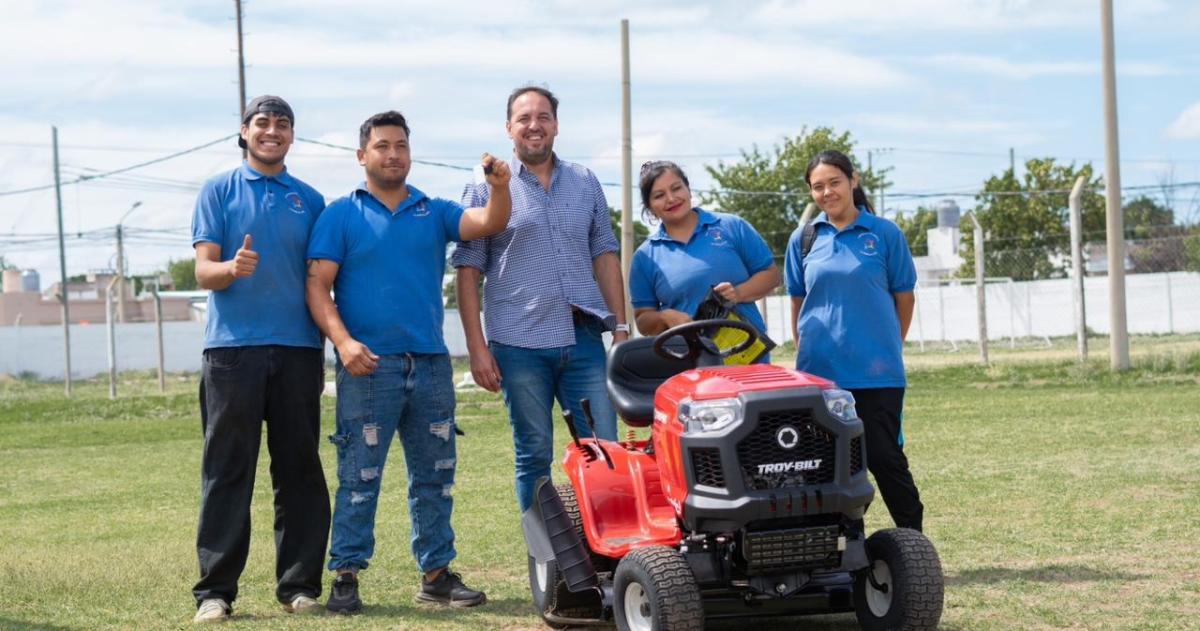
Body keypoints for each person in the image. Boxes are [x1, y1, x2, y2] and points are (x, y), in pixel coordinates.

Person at [305, 110, 511, 614]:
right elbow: (316, 286)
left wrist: (499, 187)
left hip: (431, 366)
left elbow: (490, 221)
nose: (393, 154)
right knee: (359, 475)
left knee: (435, 476)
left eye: (400, 145)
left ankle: (436, 575)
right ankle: (346, 577)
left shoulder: (433, 211)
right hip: (368, 368)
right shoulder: (340, 214)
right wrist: (344, 344)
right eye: (382, 146)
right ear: (362, 155)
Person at [453, 85, 630, 513]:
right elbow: (468, 270)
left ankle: (607, 542)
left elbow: (605, 254)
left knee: (604, 450)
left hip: (583, 337)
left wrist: (621, 330)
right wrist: (477, 348)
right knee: (533, 454)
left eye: (543, 117)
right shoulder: (485, 187)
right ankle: (546, 548)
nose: (534, 125)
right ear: (508, 128)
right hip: (519, 345)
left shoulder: (585, 181)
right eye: (524, 118)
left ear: (556, 125)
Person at [190, 95, 331, 623]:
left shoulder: (311, 200)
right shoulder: (218, 190)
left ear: (292, 136)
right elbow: (204, 271)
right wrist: (231, 268)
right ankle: (215, 592)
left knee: (299, 470)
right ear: (245, 131)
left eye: (283, 124)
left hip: (298, 350)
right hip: (231, 352)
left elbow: (323, 276)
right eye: (263, 123)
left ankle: (299, 587)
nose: (273, 131)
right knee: (227, 471)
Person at [784, 149, 924, 532]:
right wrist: (805, 355)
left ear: (853, 181)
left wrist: (887, 347)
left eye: (834, 182)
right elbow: (797, 301)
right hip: (821, 379)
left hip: (877, 375)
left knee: (884, 459)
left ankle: (914, 545)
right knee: (827, 467)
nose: (827, 192)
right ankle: (844, 547)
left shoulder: (884, 234)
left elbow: (905, 298)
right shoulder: (804, 239)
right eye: (818, 186)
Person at [628, 160, 780, 347]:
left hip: (746, 352)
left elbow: (771, 276)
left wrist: (738, 293)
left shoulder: (732, 226)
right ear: (650, 207)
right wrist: (664, 317)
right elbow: (643, 321)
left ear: (688, 189)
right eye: (659, 195)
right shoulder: (644, 258)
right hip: (685, 357)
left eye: (676, 188)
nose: (671, 198)